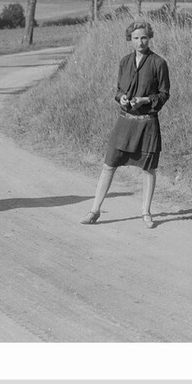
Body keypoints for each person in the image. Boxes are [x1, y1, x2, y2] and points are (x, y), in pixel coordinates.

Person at [80, 21, 170, 229]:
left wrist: (145, 100)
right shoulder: (124, 62)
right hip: (124, 123)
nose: (140, 42)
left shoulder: (159, 63)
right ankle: (95, 210)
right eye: (136, 38)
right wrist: (121, 98)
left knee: (149, 169)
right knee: (109, 165)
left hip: (147, 124)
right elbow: (119, 89)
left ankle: (146, 212)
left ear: (150, 38)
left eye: (144, 37)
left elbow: (164, 94)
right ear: (130, 39)